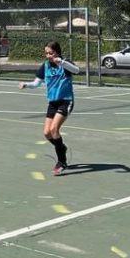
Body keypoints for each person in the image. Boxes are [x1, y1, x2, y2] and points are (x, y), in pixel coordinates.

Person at [19, 41, 80, 175]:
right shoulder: (45, 66)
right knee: (47, 133)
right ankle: (61, 147)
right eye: (46, 53)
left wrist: (62, 62)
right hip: (53, 103)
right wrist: (26, 85)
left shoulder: (65, 63)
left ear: (57, 52)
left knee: (54, 129)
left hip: (66, 101)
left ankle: (62, 162)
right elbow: (36, 83)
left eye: (51, 53)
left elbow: (77, 70)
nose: (48, 56)